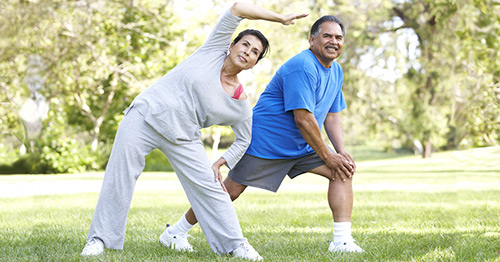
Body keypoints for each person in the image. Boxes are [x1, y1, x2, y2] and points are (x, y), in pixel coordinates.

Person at [80, 2, 307, 260]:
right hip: (145, 115)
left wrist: (222, 162)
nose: (247, 51)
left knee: (212, 188)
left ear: (254, 64)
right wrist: (280, 18)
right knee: (120, 176)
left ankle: (236, 245)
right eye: (245, 44)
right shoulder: (212, 50)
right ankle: (99, 239)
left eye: (255, 52)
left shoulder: (240, 104)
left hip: (183, 136)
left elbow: (245, 139)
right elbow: (238, 7)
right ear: (232, 45)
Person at [166, 15, 364, 254]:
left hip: (303, 144)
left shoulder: (336, 71)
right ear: (312, 40)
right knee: (229, 192)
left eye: (338, 37)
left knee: (342, 170)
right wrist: (328, 154)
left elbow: (331, 115)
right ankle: (175, 232)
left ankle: (341, 242)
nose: (334, 41)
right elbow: (304, 118)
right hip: (265, 143)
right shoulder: (302, 67)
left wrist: (341, 153)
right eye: (327, 36)